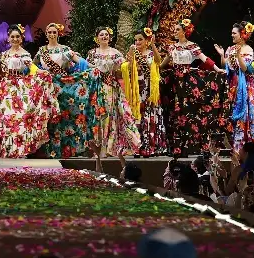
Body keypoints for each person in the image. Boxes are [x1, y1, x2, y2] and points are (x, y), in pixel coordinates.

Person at [160, 18, 224, 157]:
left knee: (190, 111)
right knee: (175, 113)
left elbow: (205, 59)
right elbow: (164, 63)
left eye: (178, 29)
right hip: (175, 81)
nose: (175, 32)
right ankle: (177, 147)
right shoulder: (172, 47)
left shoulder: (192, 46)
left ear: (184, 31)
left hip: (188, 80)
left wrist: (217, 69)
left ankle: (193, 145)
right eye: (175, 29)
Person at [34, 22, 97, 158]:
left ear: (58, 34)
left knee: (67, 116)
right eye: (49, 32)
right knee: (51, 118)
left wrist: (95, 67)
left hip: (64, 86)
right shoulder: (41, 51)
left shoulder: (65, 49)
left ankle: (71, 148)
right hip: (48, 87)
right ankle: (51, 150)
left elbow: (81, 62)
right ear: (46, 34)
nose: (52, 34)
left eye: (54, 32)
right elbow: (33, 67)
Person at [0, 25, 58, 158]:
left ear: (21, 38)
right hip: (6, 88)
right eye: (12, 36)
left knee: (19, 119)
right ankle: (8, 149)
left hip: (20, 88)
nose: (15, 39)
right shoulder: (4, 54)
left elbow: (32, 68)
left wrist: (42, 72)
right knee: (7, 118)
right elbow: (1, 70)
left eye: (17, 36)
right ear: (8, 38)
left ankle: (21, 149)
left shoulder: (25, 53)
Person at [86, 26, 140, 157]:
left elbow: (124, 67)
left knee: (110, 115)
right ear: (97, 38)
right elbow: (87, 68)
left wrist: (131, 55)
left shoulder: (115, 52)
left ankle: (111, 146)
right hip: (97, 88)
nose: (104, 37)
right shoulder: (92, 53)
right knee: (98, 116)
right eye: (101, 35)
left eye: (106, 35)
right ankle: (99, 148)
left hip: (110, 87)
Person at [214, 20, 254, 151]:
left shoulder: (248, 50)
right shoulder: (230, 49)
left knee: (245, 113)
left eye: (234, 33)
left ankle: (245, 145)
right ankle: (233, 144)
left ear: (242, 34)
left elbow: (246, 69)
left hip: (244, 85)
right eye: (232, 33)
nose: (232, 35)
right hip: (233, 85)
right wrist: (222, 55)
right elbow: (225, 66)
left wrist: (239, 56)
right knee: (232, 112)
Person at [122, 28, 166, 157]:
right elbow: (127, 67)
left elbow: (159, 61)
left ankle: (151, 146)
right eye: (135, 40)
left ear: (146, 40)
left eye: (140, 39)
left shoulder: (151, 54)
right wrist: (130, 52)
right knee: (138, 118)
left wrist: (153, 44)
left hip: (150, 90)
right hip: (137, 90)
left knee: (150, 117)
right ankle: (138, 147)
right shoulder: (133, 53)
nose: (137, 42)